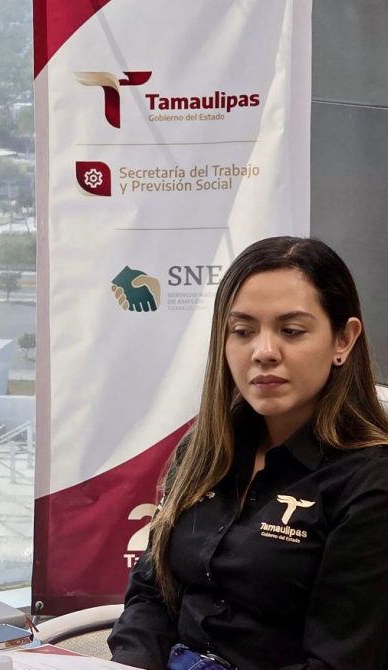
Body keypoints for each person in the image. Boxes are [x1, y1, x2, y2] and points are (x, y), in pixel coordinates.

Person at [108, 236, 388, 670]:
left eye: (291, 331)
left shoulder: (370, 484)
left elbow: (340, 662)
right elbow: (151, 593)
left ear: (343, 340)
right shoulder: (204, 449)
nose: (264, 353)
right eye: (242, 331)